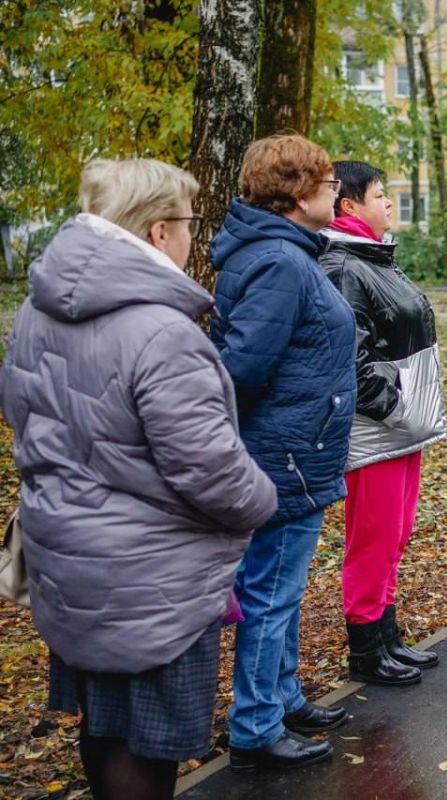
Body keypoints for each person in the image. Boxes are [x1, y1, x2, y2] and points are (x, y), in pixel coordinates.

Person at [0, 158, 278, 800]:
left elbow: (20, 411)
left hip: (67, 556)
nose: (195, 238)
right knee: (148, 745)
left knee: (104, 722)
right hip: (153, 578)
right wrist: (264, 499)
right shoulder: (161, 333)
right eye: (189, 223)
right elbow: (211, 470)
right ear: (158, 232)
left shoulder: (34, 313)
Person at [209, 135, 358, 771]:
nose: (337, 194)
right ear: (298, 195)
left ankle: (283, 695)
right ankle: (255, 728)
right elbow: (239, 369)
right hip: (283, 456)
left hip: (300, 448)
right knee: (271, 590)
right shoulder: (279, 261)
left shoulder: (288, 253)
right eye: (328, 185)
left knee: (282, 587)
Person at [321, 160, 447, 685]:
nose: (389, 202)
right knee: (372, 538)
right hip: (379, 427)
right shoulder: (344, 265)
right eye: (379, 194)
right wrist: (398, 406)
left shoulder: (372, 257)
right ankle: (366, 647)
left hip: (402, 425)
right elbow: (352, 357)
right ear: (350, 206)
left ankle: (387, 634)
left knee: (395, 534)